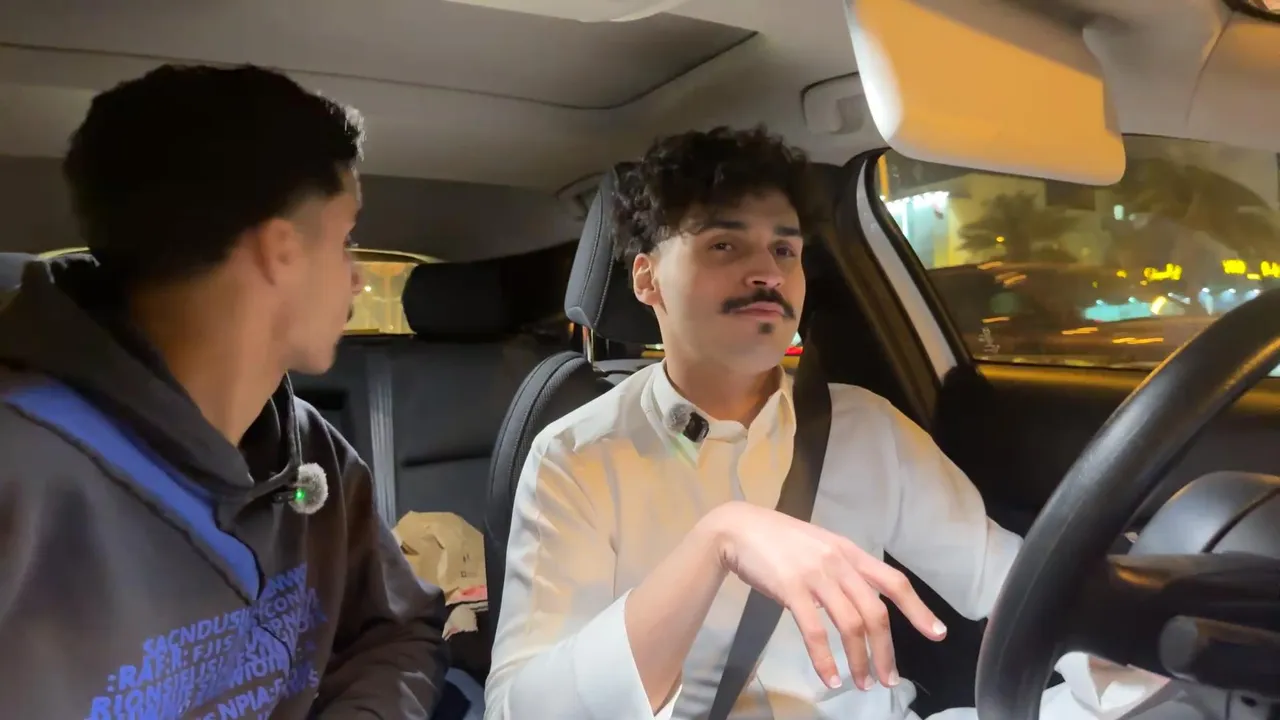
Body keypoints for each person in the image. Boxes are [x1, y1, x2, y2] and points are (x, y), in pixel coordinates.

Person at [484, 126, 1168, 720]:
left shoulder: (865, 430)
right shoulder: (577, 455)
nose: (766, 272)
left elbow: (1013, 586)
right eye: (724, 245)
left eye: (785, 251)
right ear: (647, 280)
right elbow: (523, 709)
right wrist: (718, 540)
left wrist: (1151, 655)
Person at [0, 65, 449, 719]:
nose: (356, 278)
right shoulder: (20, 465)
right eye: (345, 240)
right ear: (280, 251)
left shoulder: (318, 455)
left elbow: (396, 631)